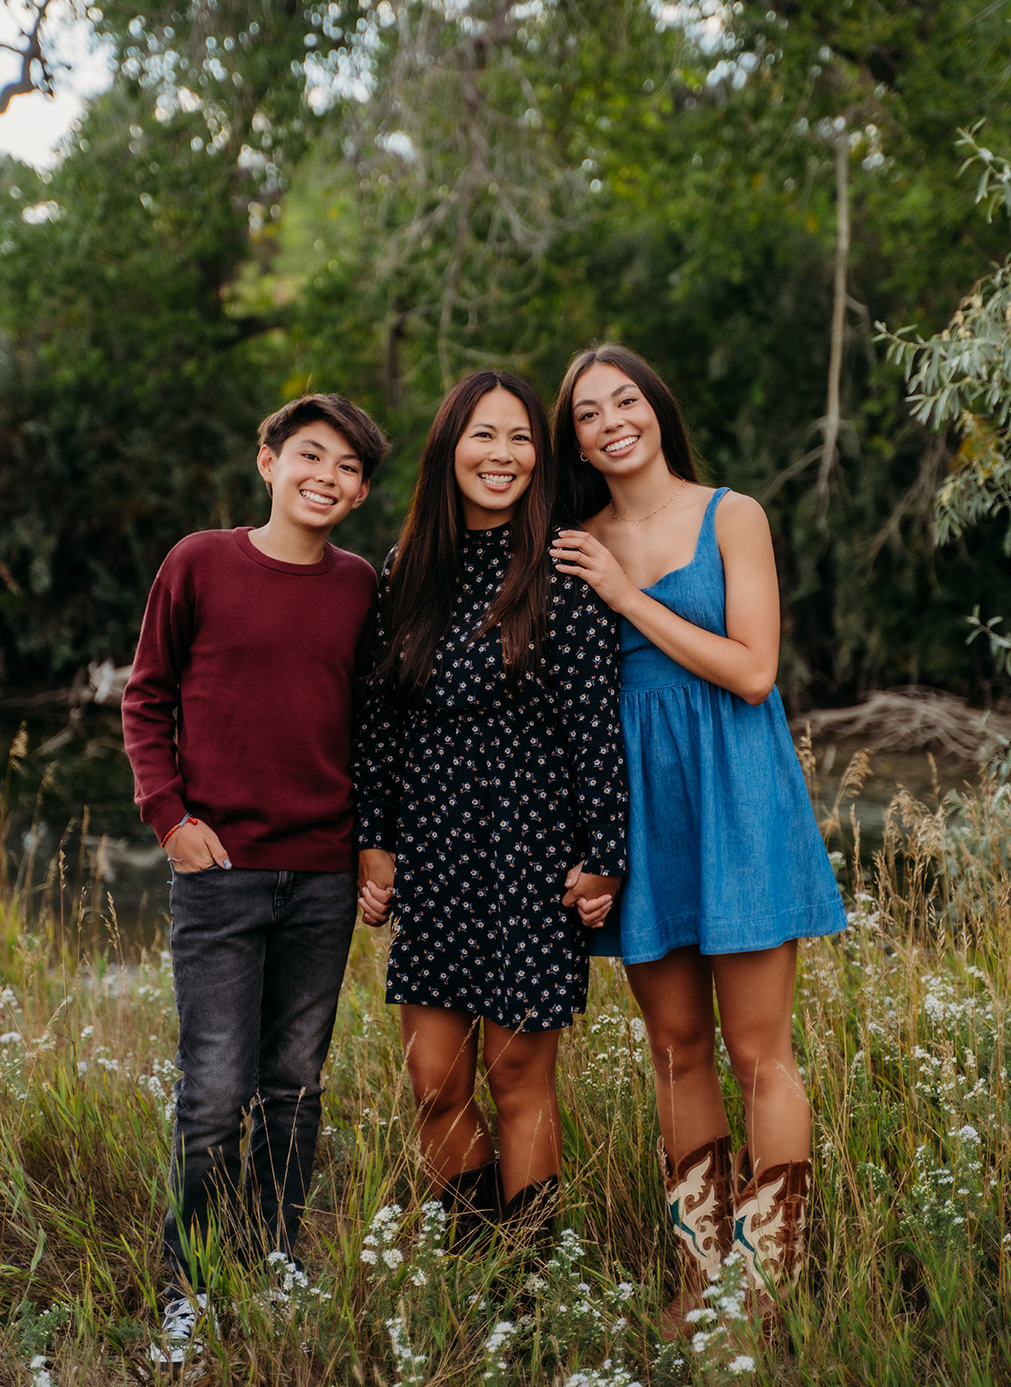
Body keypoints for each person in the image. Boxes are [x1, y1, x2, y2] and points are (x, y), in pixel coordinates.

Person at [549, 344, 847, 1334]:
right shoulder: (572, 537)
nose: (609, 422)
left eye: (623, 400)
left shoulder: (732, 513)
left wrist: (627, 597)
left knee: (759, 1051)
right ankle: (697, 1274)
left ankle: (767, 1285)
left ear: (655, 409)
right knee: (674, 1047)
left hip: (736, 793)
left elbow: (753, 670)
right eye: (587, 414)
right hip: (639, 810)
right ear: (575, 440)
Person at [122, 392, 389, 1365]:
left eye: (348, 468)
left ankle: (275, 1261)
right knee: (213, 1094)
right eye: (310, 456)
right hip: (221, 876)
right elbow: (146, 696)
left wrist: (372, 843)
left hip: (320, 879)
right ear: (268, 459)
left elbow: (372, 728)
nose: (327, 477)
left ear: (359, 493)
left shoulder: (360, 586)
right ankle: (190, 1285)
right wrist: (169, 819)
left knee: (292, 1088)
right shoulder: (198, 561)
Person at [354, 369, 629, 1250]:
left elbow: (596, 723)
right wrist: (374, 842)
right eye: (483, 435)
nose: (502, 455)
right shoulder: (407, 570)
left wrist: (605, 854)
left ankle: (533, 1279)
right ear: (449, 449)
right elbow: (377, 719)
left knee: (517, 1083)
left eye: (519, 438)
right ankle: (473, 1270)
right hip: (433, 855)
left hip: (529, 859)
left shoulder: (562, 567)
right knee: (434, 1083)